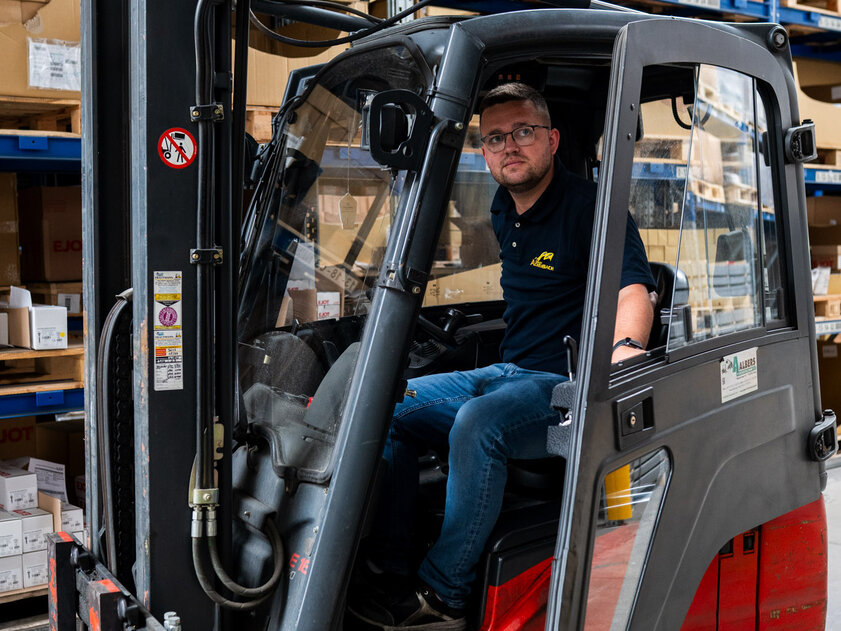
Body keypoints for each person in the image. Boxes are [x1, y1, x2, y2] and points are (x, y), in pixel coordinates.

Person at [349, 82, 655, 630]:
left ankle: (443, 595)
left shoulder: (591, 209)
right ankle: (390, 568)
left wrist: (626, 349)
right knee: (385, 404)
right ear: (483, 152)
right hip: (507, 370)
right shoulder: (503, 204)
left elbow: (632, 290)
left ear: (553, 139)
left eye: (523, 132)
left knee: (477, 424)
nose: (509, 147)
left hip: (562, 385)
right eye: (495, 138)